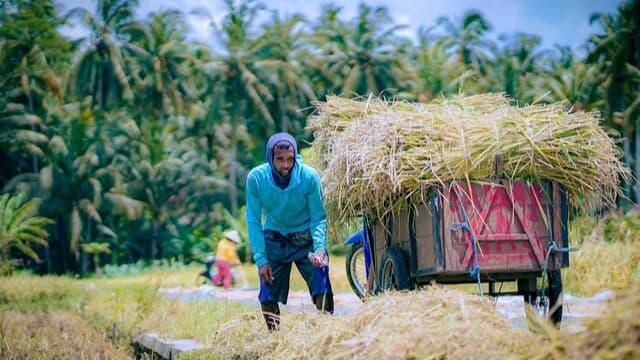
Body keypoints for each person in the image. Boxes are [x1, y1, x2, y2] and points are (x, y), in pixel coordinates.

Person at [246, 132, 334, 331]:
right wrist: (261, 260)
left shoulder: (309, 177)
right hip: (274, 239)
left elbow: (318, 217)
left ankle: (326, 332)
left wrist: (319, 249)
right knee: (267, 292)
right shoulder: (256, 180)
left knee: (322, 283)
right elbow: (253, 220)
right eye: (280, 160)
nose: (285, 165)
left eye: (290, 159)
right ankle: (275, 338)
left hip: (305, 240)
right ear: (270, 158)